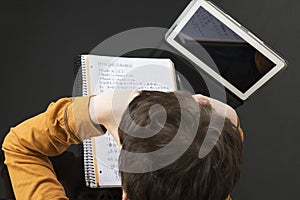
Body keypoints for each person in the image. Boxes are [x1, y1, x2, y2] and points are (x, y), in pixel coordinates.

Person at [2, 90, 244, 200]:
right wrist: (229, 121)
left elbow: (19, 148)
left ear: (125, 195)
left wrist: (94, 111)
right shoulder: (212, 185)